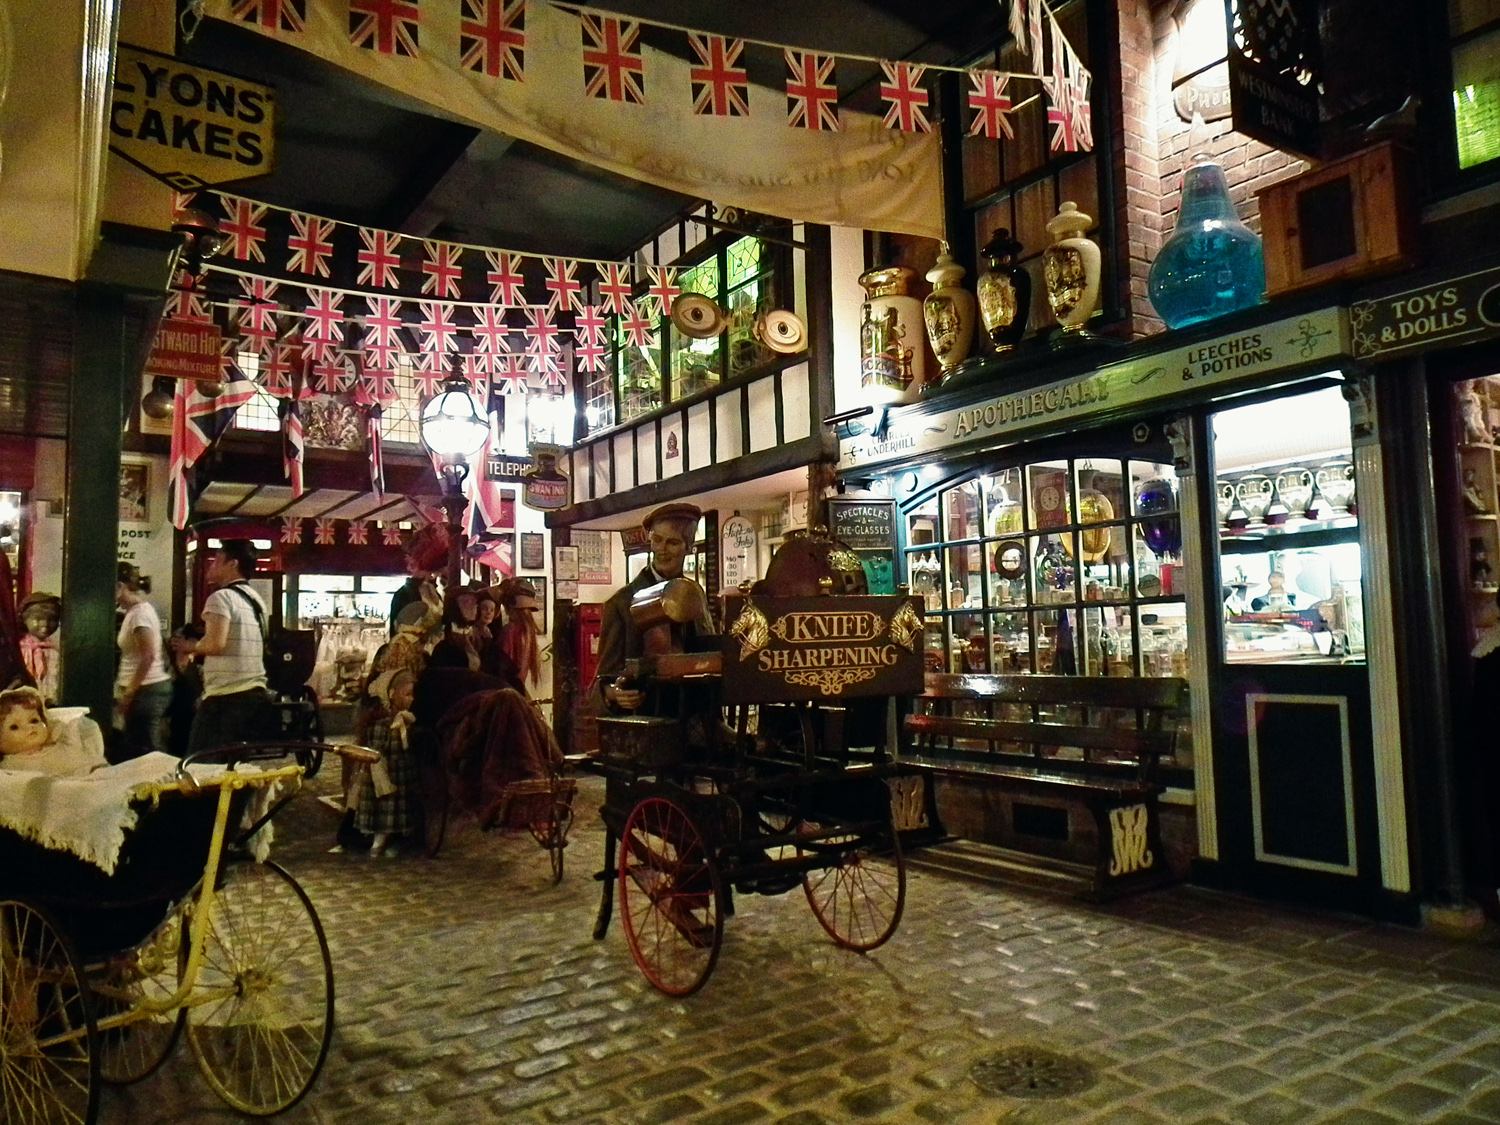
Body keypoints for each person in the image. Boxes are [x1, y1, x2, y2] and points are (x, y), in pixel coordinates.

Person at [596, 502, 714, 715]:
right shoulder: (622, 603)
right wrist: (616, 693)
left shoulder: (696, 595)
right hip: (647, 721)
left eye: (673, 542)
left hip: (695, 721)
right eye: (657, 540)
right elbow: (604, 679)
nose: (662, 549)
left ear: (688, 547)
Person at [171, 539, 273, 755]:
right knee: (235, 770)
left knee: (200, 766)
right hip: (254, 695)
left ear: (232, 564)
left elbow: (216, 644)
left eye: (216, 561)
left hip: (226, 698)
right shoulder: (256, 599)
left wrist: (188, 646)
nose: (211, 566)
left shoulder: (221, 597)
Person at [346, 669, 421, 858]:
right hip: (386, 774)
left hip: (402, 773)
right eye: (407, 694)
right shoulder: (382, 724)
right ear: (390, 694)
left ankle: (398, 838)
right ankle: (378, 843)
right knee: (386, 809)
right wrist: (381, 778)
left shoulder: (404, 719)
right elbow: (377, 753)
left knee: (400, 809)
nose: (411, 699)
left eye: (412, 694)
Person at [114, 563, 172, 761]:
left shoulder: (139, 615)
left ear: (120, 586)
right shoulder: (136, 612)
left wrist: (130, 690)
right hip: (144, 689)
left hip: (146, 690)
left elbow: (148, 656)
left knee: (146, 749)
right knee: (140, 745)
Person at [18, 592, 61, 704]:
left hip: (51, 701)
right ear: (24, 619)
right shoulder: (20, 649)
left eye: (52, 619)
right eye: (37, 619)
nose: (45, 624)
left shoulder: (57, 650)